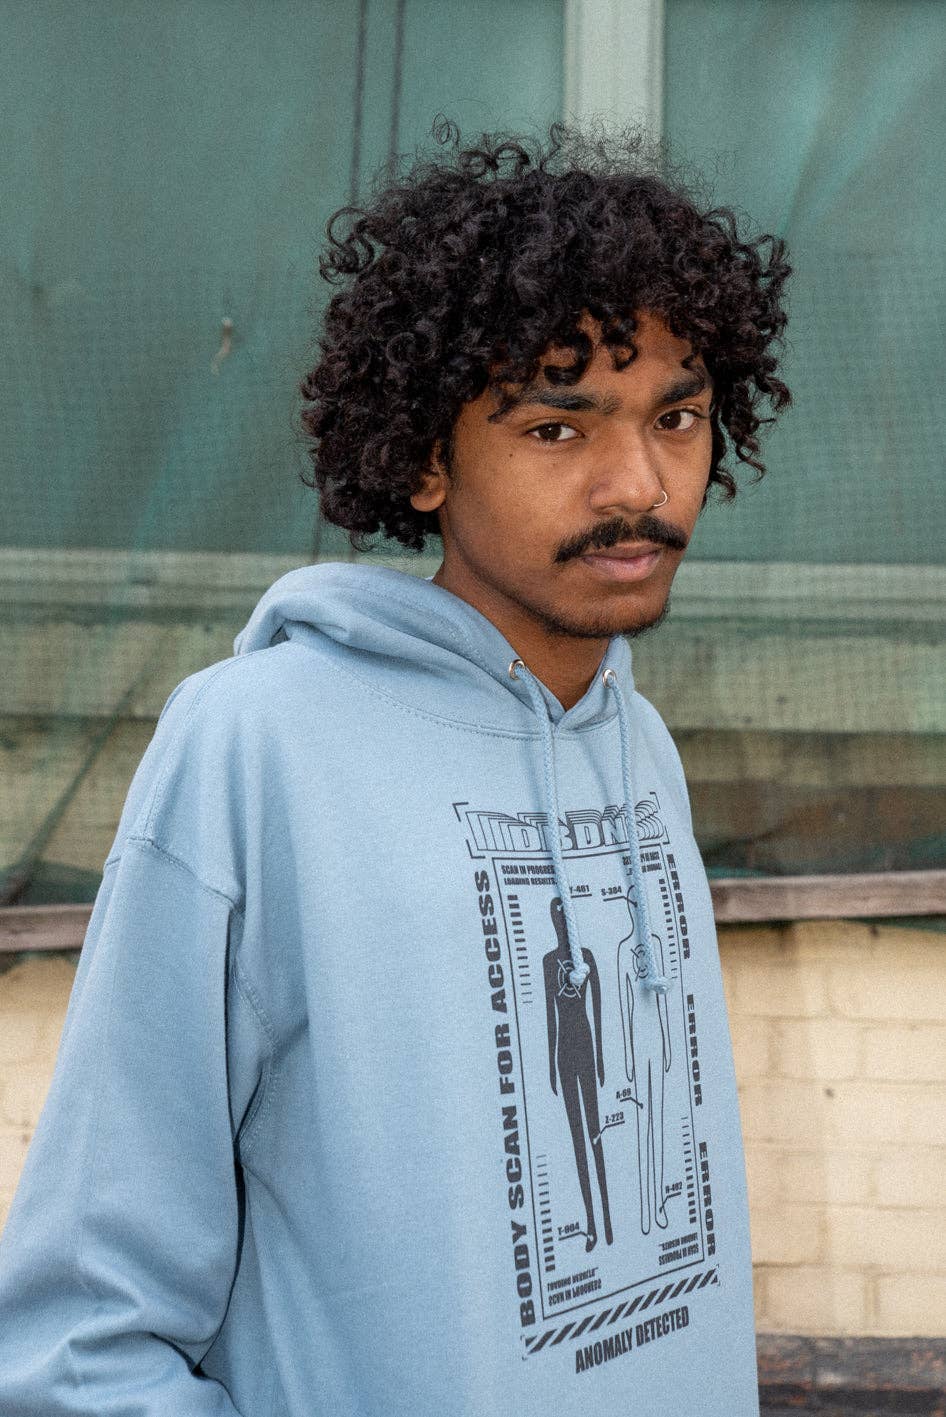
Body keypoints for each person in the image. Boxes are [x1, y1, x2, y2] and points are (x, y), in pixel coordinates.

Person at [0, 120, 790, 1415]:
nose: (639, 483)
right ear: (427, 458)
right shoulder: (256, 747)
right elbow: (77, 1345)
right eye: (557, 427)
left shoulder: (635, 747)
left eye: (677, 417)